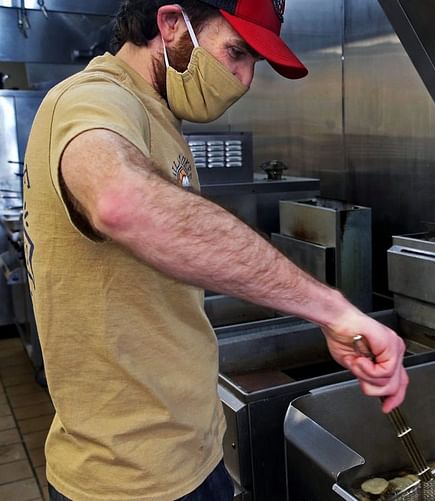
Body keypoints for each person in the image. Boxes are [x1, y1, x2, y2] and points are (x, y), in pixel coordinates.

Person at [22, 0, 409, 499]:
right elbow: (123, 202)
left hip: (189, 456)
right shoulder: (91, 98)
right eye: (237, 52)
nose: (245, 79)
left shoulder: (156, 115)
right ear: (170, 24)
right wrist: (330, 308)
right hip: (132, 480)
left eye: (255, 62)